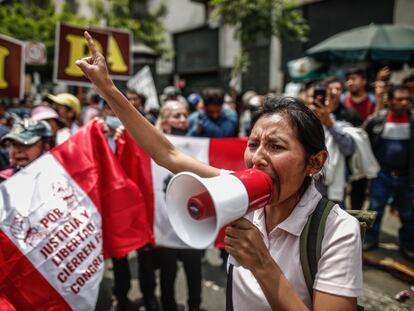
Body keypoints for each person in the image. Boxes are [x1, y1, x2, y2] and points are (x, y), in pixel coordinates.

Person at [76, 31, 363, 310]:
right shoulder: (240, 193)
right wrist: (108, 89)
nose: (258, 158)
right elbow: (167, 153)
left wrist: (262, 264)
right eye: (253, 144)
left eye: (276, 147)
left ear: (314, 162)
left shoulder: (338, 231)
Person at [155, 100, 203, 311]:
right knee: (168, 273)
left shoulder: (197, 145)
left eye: (185, 115)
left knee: (194, 273)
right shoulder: (153, 147)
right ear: (165, 122)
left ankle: (195, 307)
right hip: (165, 226)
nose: (183, 120)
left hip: (192, 223)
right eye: (177, 116)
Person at [363, 85, 414, 261]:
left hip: (406, 177)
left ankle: (407, 244)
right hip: (381, 175)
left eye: (407, 99)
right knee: (375, 209)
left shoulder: (412, 120)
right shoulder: (378, 120)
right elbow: (363, 139)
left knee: (408, 213)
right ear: (390, 100)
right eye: (400, 99)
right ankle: (370, 238)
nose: (405, 102)